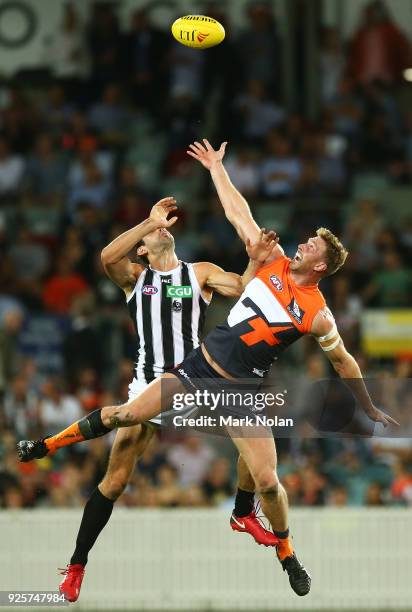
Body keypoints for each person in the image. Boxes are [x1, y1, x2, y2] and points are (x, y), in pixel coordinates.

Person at [18, 143, 399, 597]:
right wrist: (218, 168)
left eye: (310, 245)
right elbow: (238, 213)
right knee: (120, 438)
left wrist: (368, 404)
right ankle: (48, 451)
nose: (300, 244)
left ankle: (284, 550)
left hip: (235, 389)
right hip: (191, 371)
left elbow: (341, 358)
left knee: (269, 483)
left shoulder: (308, 309)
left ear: (320, 265)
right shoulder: (140, 278)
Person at [38, 196, 278, 602]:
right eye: (151, 235)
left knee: (255, 433)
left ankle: (243, 511)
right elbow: (106, 256)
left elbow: (240, 289)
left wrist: (254, 260)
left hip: (197, 381)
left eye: (163, 227)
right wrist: (147, 222)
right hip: (150, 388)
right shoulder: (135, 276)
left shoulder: (199, 273)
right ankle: (77, 566)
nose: (161, 230)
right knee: (114, 481)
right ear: (143, 249)